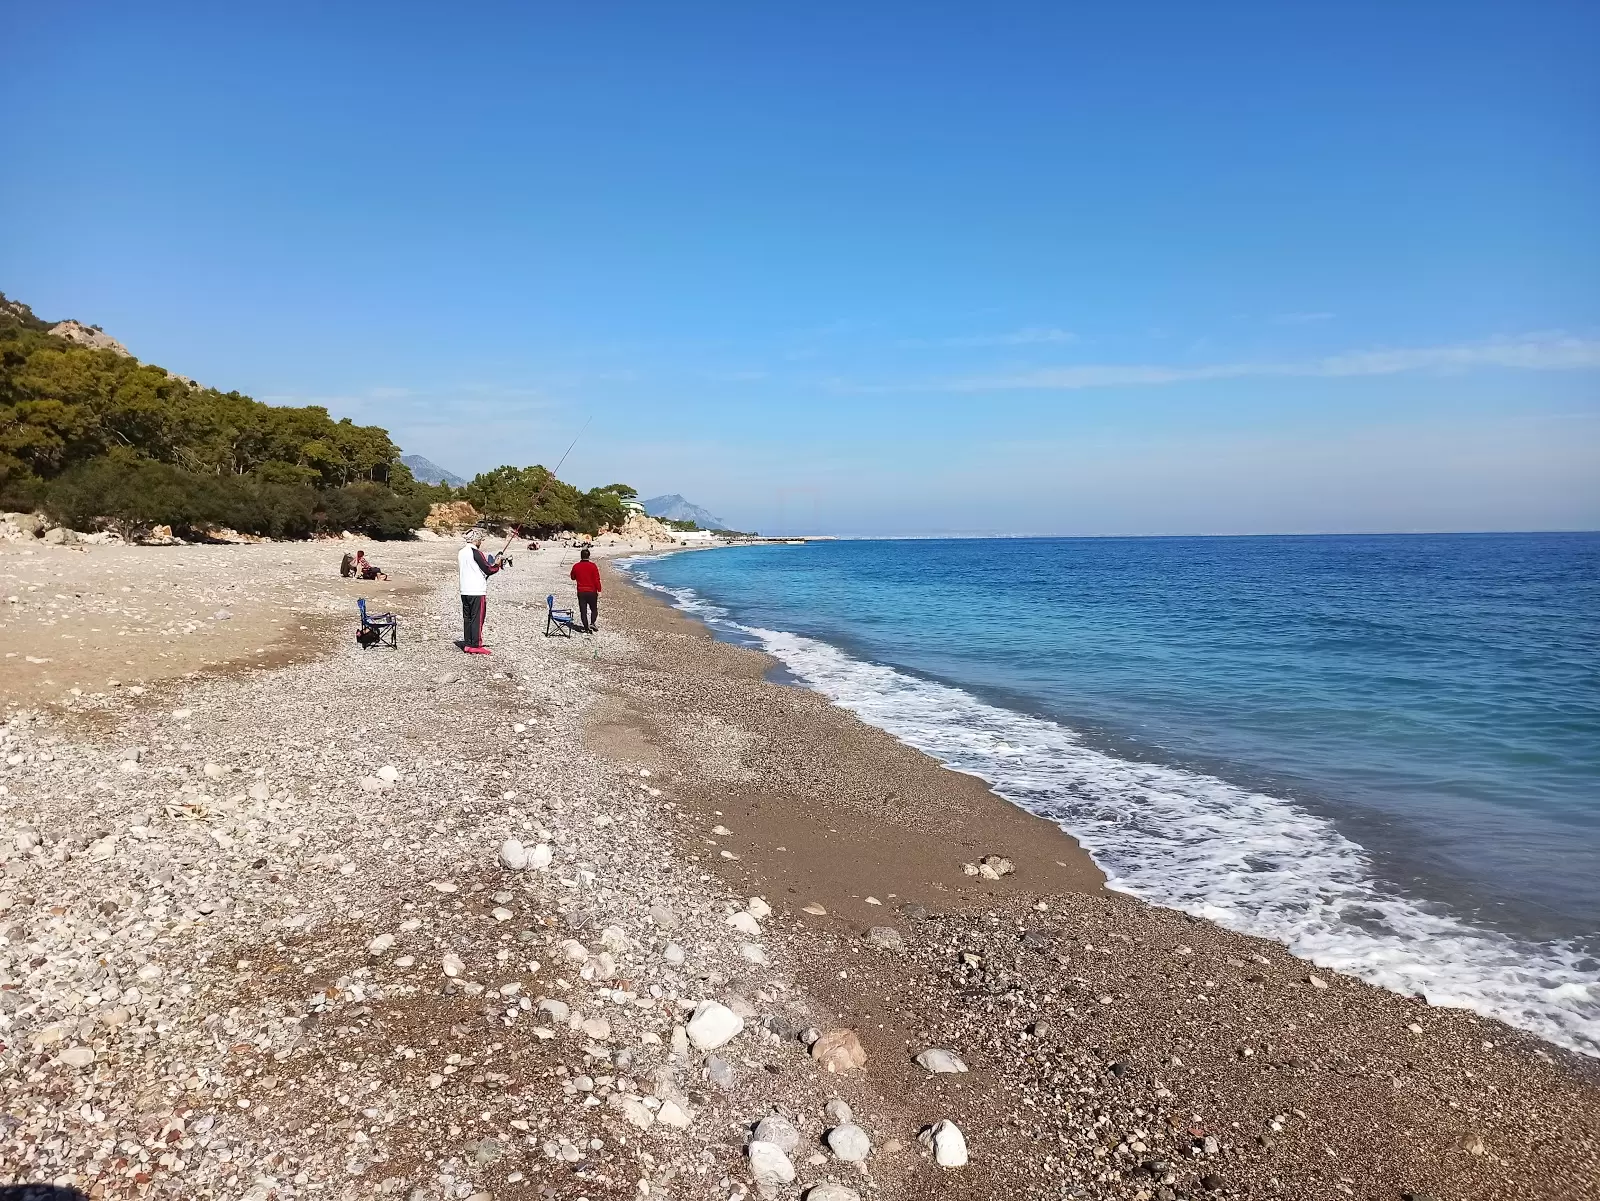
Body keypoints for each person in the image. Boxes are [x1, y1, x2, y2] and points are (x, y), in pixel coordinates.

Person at [458, 528, 503, 654]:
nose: (481, 542)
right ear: (475, 540)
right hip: (476, 590)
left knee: (467, 617)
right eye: (480, 540)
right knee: (477, 618)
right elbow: (489, 569)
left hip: (464, 590)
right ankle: (476, 645)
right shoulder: (476, 552)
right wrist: (497, 564)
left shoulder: (461, 552)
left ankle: (468, 643)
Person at [570, 546, 602, 633]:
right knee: (594, 609)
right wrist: (599, 590)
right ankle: (592, 622)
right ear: (589, 556)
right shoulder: (593, 566)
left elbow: (572, 577)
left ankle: (586, 628)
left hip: (581, 592)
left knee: (583, 611)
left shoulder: (576, 566)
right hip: (592, 591)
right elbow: (597, 579)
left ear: (581, 556)